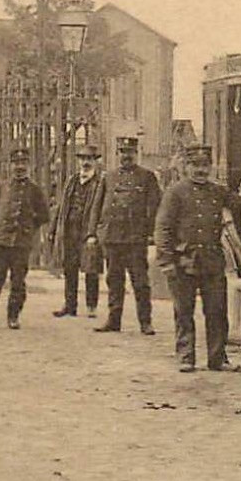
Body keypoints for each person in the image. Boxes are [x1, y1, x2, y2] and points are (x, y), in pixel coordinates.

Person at [155, 144, 241, 373]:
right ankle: (186, 356)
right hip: (182, 261)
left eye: (205, 165)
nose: (200, 170)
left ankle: (218, 359)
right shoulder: (175, 192)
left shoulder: (218, 192)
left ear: (211, 167)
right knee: (184, 312)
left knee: (216, 312)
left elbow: (240, 204)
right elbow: (163, 227)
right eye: (195, 165)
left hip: (212, 261)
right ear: (186, 167)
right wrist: (166, 260)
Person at [0, 147, 49, 331]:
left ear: (28, 166)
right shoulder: (2, 187)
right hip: (1, 242)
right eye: (16, 163)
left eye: (23, 163)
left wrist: (29, 227)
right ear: (10, 166)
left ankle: (13, 316)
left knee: (18, 282)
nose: (19, 167)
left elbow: (44, 215)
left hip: (21, 243)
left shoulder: (34, 190)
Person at [92, 135, 162, 335]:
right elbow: (97, 207)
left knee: (140, 282)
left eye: (130, 152)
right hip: (113, 237)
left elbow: (155, 207)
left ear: (136, 153)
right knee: (114, 281)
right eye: (123, 152)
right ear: (118, 154)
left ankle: (145, 322)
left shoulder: (147, 177)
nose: (126, 156)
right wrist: (94, 232)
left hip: (135, 238)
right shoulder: (109, 177)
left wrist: (151, 233)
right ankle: (114, 320)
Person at [52, 145, 105, 319]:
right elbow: (62, 206)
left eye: (89, 159)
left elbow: (102, 210)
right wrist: (55, 228)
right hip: (70, 230)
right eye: (82, 159)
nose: (85, 163)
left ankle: (91, 306)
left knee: (91, 269)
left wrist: (95, 233)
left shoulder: (100, 183)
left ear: (95, 162)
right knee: (70, 268)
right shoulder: (72, 181)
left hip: (88, 231)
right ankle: (70, 305)